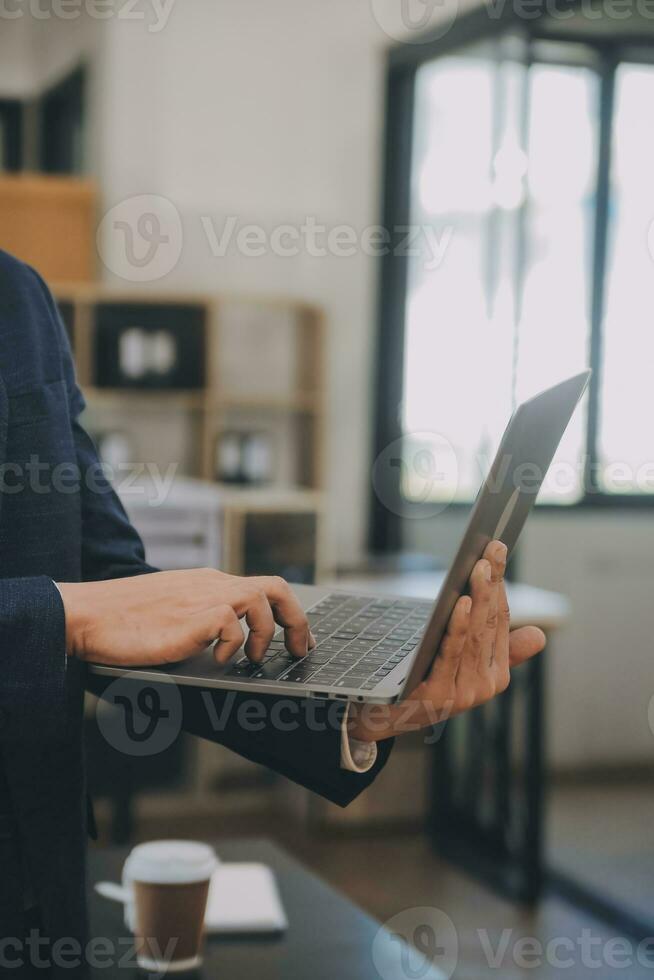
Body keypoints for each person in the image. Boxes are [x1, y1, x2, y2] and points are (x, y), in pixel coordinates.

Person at [0, 248, 545, 977]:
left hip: (41, 892)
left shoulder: (20, 296)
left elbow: (107, 583)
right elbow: (82, 608)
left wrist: (350, 710)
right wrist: (62, 614)